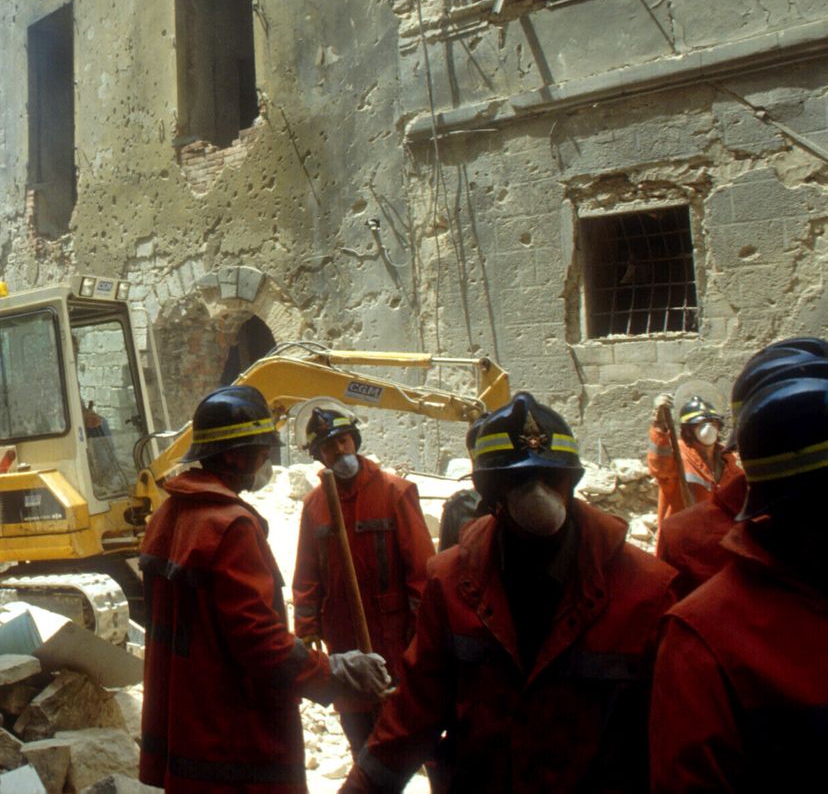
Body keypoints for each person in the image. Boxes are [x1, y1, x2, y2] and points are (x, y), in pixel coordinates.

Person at [344, 392, 677, 792]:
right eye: (518, 480)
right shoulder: (451, 582)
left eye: (550, 477)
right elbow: (414, 714)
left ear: (570, 480)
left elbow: (673, 742)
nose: (538, 492)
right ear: (492, 493)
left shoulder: (646, 591)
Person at [140, 385, 392, 792]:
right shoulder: (230, 527)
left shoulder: (167, 517)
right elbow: (259, 642)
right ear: (234, 455)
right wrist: (335, 672)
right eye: (261, 451)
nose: (265, 462)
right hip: (233, 743)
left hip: (184, 731)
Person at [650, 339, 828, 790]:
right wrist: (659, 429)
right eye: (701, 426)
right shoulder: (703, 639)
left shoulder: (726, 462)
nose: (707, 432)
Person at [292, 405, 434, 754]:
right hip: (345, 641)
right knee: (363, 743)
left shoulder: (394, 492)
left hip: (395, 640)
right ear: (319, 456)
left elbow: (422, 572)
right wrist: (307, 630)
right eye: (329, 447)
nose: (339, 451)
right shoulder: (315, 505)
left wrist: (421, 635)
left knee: (408, 738)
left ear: (355, 440)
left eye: (343, 440)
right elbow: (307, 576)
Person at [647, 390, 743, 522]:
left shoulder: (728, 462)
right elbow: (659, 467)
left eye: (712, 423)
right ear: (688, 431)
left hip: (717, 537)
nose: (708, 428)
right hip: (683, 535)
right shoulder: (678, 455)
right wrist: (659, 425)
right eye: (700, 424)